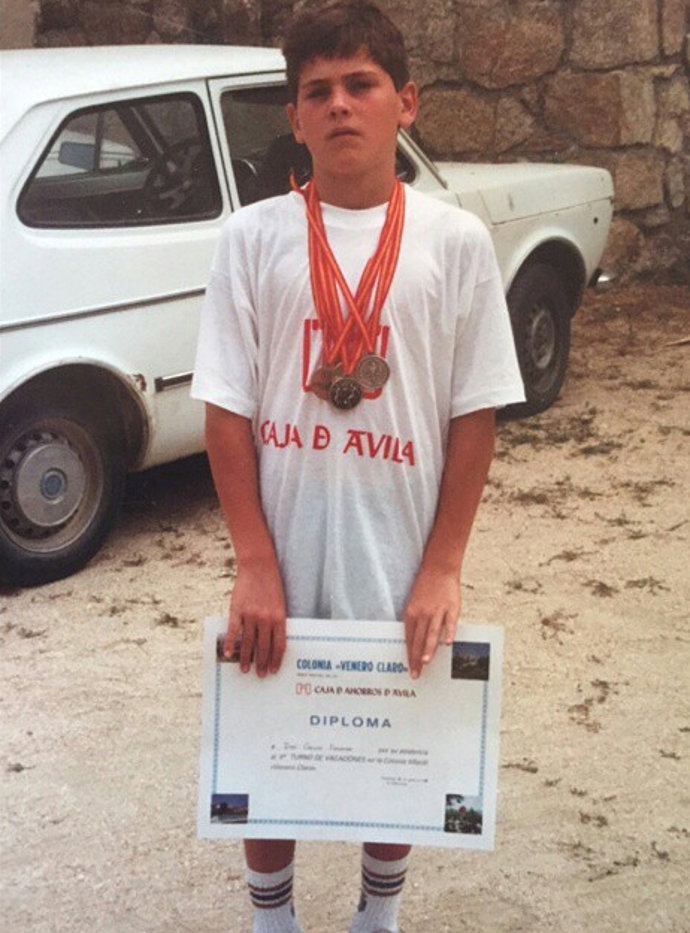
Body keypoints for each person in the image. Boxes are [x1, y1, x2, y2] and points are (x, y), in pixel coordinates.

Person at [191, 2, 525, 930]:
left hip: (399, 536)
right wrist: (253, 558)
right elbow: (227, 409)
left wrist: (445, 562)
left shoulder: (454, 243)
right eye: (317, 91)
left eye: (361, 85)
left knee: (397, 728)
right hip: (286, 540)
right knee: (271, 718)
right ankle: (273, 915)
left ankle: (378, 912)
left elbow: (474, 412)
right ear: (294, 118)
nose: (340, 104)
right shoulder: (250, 240)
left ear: (404, 102)